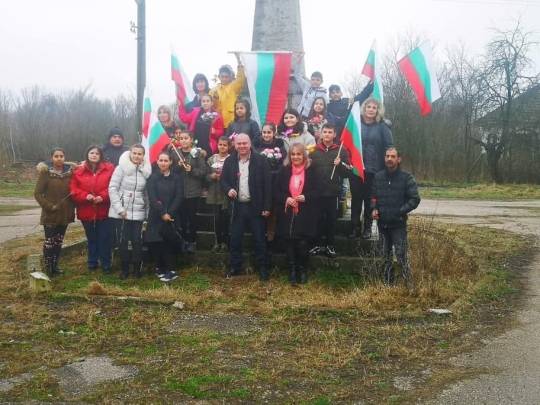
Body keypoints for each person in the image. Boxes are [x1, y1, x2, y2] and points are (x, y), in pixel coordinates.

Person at [220, 133, 272, 280]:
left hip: (256, 206)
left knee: (259, 239)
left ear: (250, 144)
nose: (242, 146)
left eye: (245, 143)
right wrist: (228, 189)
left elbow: (268, 185)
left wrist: (267, 206)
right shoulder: (230, 161)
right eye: (239, 143)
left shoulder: (261, 160)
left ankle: (262, 268)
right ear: (235, 145)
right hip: (238, 206)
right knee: (235, 238)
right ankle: (235, 266)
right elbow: (223, 181)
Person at [371, 147, 420, 286]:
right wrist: (373, 208)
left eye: (393, 156)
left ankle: (408, 285)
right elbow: (373, 197)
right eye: (387, 156)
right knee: (384, 257)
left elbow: (415, 199)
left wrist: (400, 211)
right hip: (382, 225)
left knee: (401, 255)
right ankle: (387, 284)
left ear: (399, 159)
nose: (389, 159)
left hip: (398, 224)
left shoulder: (407, 177)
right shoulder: (378, 176)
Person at [275, 143, 319, 284]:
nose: (295, 157)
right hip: (288, 213)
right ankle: (292, 271)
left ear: (304, 155)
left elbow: (319, 190)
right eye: (293, 154)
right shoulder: (284, 170)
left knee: (302, 243)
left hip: (305, 213)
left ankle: (303, 270)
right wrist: (286, 198)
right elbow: (276, 192)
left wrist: (306, 197)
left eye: (298, 154)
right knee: (289, 242)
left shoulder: (312, 170)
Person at [349, 97, 393, 239]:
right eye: (369, 107)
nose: (371, 110)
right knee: (356, 199)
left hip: (374, 170)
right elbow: (348, 142)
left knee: (369, 200)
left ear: (377, 110)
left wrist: (388, 166)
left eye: (374, 107)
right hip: (356, 168)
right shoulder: (356, 124)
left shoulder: (382, 127)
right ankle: (355, 228)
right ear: (364, 108)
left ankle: (367, 228)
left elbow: (389, 147)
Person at [108, 144, 152, 279]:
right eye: (134, 153)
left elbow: (146, 194)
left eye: (140, 154)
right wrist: (119, 209)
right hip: (122, 212)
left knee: (137, 241)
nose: (137, 156)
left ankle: (137, 269)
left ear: (143, 156)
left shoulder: (145, 171)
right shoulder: (121, 168)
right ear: (130, 154)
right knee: (123, 241)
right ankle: (125, 269)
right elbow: (112, 188)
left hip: (138, 211)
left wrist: (146, 212)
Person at [70, 145, 115, 272]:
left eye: (97, 153)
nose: (94, 155)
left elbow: (113, 186)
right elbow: (74, 190)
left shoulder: (109, 169)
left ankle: (106, 263)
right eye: (91, 153)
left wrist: (103, 196)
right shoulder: (78, 171)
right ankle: (92, 262)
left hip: (104, 210)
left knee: (104, 238)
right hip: (86, 210)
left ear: (100, 155)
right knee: (91, 238)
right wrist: (86, 196)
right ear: (87, 155)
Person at [309, 124, 350, 258]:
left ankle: (330, 245)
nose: (327, 134)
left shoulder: (341, 150)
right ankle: (315, 245)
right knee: (316, 219)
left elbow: (347, 172)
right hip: (316, 192)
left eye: (329, 132)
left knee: (331, 220)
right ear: (320, 134)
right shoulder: (313, 150)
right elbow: (308, 170)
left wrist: (341, 165)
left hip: (332, 193)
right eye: (324, 132)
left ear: (334, 135)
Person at [34, 148, 76, 277]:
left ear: (65, 157)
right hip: (50, 214)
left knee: (58, 242)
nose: (59, 158)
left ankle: (55, 266)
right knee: (50, 243)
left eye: (61, 156)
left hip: (65, 214)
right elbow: (37, 193)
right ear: (52, 158)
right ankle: (48, 268)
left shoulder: (70, 173)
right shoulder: (45, 173)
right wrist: (48, 206)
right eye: (56, 156)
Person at [145, 151, 183, 283]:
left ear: (171, 162)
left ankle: (170, 269)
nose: (163, 163)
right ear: (157, 161)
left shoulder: (176, 177)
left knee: (168, 242)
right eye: (160, 160)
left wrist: (169, 213)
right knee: (156, 242)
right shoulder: (152, 178)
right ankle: (159, 268)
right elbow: (152, 197)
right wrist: (162, 212)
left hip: (172, 215)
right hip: (156, 215)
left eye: (166, 161)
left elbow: (179, 196)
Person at [172, 130, 207, 253]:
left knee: (192, 218)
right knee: (181, 218)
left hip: (193, 192)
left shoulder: (197, 154)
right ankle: (183, 241)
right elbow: (170, 171)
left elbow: (203, 172)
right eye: (181, 138)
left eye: (186, 138)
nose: (183, 140)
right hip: (179, 192)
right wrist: (178, 166)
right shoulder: (175, 153)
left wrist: (191, 170)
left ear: (191, 140)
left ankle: (192, 241)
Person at [253, 122, 286, 247]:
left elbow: (283, 162)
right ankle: (260, 232)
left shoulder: (279, 146)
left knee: (272, 207)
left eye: (269, 132)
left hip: (275, 181)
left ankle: (271, 232)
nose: (266, 135)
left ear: (274, 133)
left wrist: (274, 172)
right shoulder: (256, 145)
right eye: (264, 132)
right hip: (260, 181)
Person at [206, 136, 231, 252]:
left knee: (226, 218)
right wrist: (211, 176)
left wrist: (225, 177)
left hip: (226, 194)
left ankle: (225, 242)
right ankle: (217, 242)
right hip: (214, 193)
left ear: (229, 146)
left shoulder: (231, 159)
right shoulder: (211, 159)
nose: (222, 147)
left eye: (225, 145)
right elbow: (205, 175)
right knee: (216, 219)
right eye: (220, 144)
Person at [209, 59, 246, 129]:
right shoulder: (213, 90)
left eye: (226, 77)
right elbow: (209, 106)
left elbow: (240, 79)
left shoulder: (233, 87)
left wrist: (239, 64)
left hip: (231, 123)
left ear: (230, 77)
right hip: (217, 123)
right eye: (222, 76)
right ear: (219, 76)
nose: (224, 79)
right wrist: (215, 99)